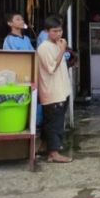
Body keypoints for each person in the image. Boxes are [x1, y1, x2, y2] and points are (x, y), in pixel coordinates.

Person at [36, 16, 72, 163]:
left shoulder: (57, 44)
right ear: (47, 31)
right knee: (54, 123)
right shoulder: (44, 47)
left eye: (60, 30)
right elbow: (51, 68)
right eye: (54, 31)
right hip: (52, 91)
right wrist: (62, 50)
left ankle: (45, 147)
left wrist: (62, 48)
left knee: (52, 121)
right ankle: (53, 153)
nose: (58, 34)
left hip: (62, 90)